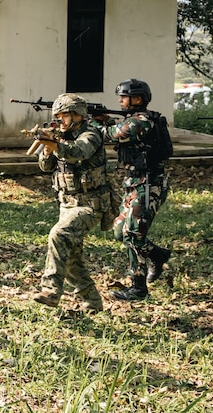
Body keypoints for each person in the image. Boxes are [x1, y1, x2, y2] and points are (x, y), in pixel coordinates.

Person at [29, 93, 110, 312]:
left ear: (78, 115)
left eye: (64, 116)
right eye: (58, 116)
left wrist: (56, 145)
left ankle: (51, 290)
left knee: (59, 235)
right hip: (67, 203)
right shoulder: (61, 135)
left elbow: (79, 152)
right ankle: (92, 301)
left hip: (90, 204)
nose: (60, 121)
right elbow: (45, 168)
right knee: (72, 257)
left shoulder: (91, 134)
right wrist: (47, 148)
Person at [94, 79, 171, 301]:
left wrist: (96, 123)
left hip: (148, 185)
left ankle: (138, 287)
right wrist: (104, 120)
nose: (120, 100)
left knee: (133, 234)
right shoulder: (133, 121)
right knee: (120, 230)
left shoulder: (141, 122)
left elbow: (108, 135)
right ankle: (158, 254)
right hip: (134, 184)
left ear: (137, 99)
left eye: (124, 97)